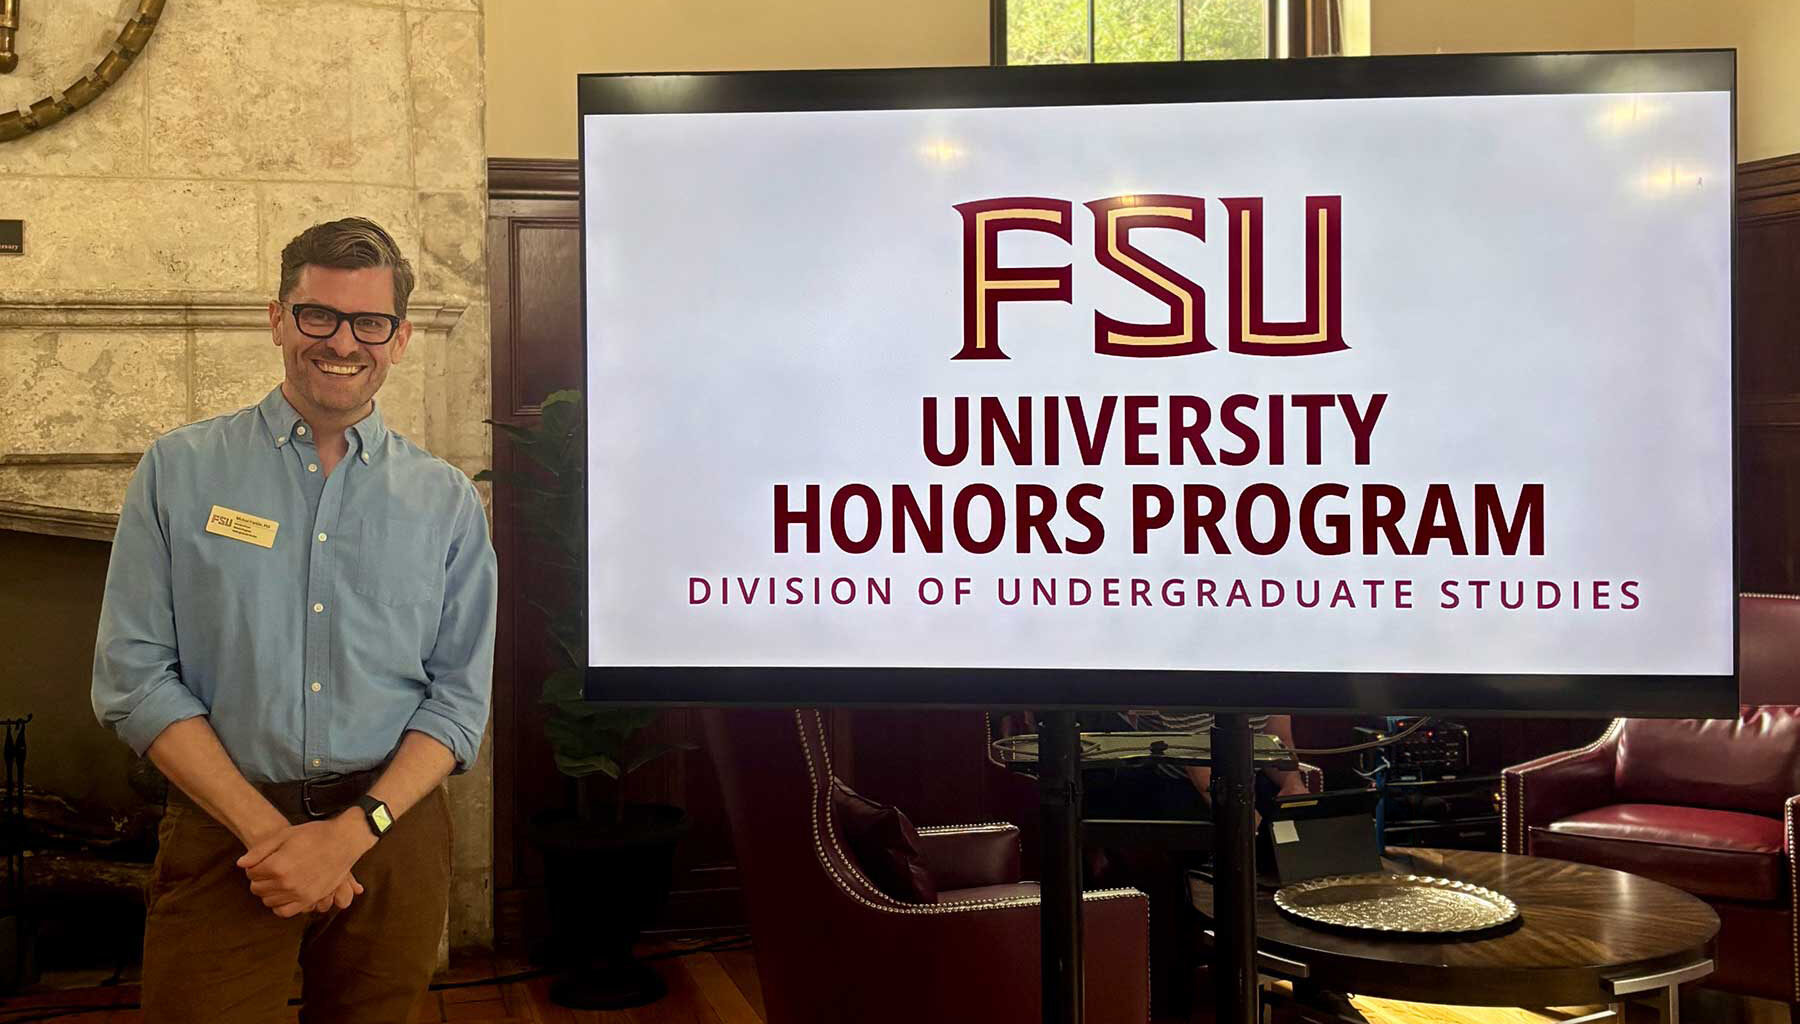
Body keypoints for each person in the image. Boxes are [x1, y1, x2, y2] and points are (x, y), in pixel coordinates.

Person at [91, 217, 498, 1024]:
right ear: (278, 319)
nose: (343, 342)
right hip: (224, 827)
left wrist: (350, 833)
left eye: (369, 323)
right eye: (319, 315)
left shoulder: (445, 500)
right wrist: (271, 837)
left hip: (392, 835)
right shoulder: (179, 471)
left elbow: (457, 703)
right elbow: (133, 679)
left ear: (400, 338)